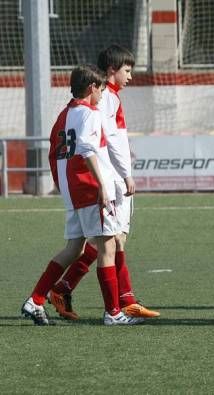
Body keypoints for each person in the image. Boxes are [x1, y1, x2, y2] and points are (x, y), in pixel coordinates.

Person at [21, 64, 142, 325]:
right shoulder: (90, 114)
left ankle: (36, 300)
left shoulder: (64, 115)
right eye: (100, 89)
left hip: (72, 191)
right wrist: (102, 186)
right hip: (90, 189)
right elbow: (87, 148)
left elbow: (55, 155)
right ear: (91, 88)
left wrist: (64, 186)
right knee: (107, 245)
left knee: (74, 248)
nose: (102, 94)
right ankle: (113, 313)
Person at [48, 44, 160, 320]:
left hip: (107, 180)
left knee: (112, 240)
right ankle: (115, 302)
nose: (130, 76)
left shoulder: (106, 98)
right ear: (112, 71)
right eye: (127, 70)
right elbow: (107, 142)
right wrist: (124, 175)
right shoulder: (105, 98)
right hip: (108, 181)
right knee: (111, 240)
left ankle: (78, 290)